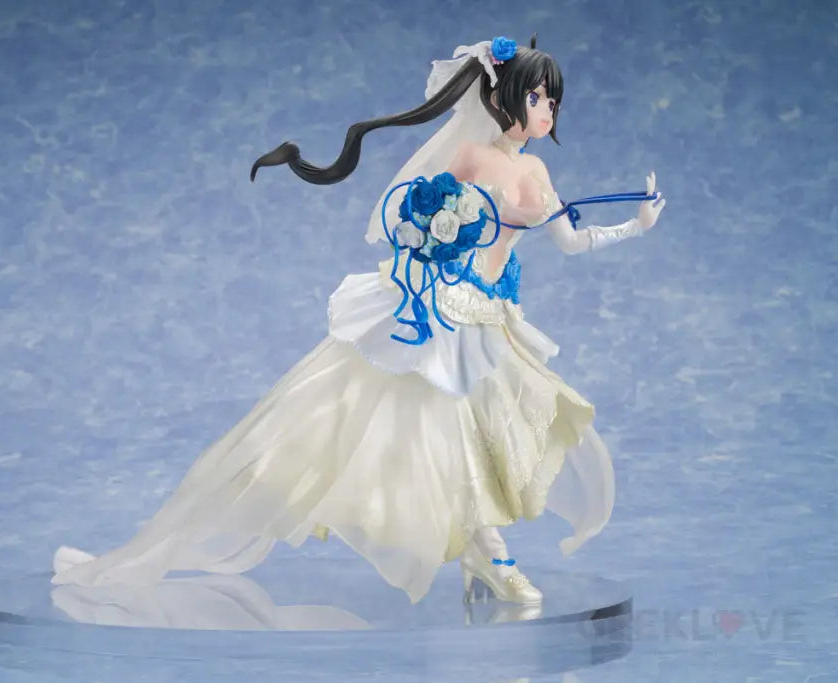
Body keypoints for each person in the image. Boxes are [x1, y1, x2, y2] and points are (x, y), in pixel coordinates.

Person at [51, 35, 665, 605]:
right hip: (442, 311)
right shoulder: (472, 157)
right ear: (503, 98)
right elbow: (414, 212)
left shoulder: (536, 171)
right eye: (535, 97)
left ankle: (484, 553)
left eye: (551, 100)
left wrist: (634, 227)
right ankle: (490, 554)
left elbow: (570, 241)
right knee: (408, 429)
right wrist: (429, 238)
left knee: (495, 432)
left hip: (491, 317)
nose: (546, 110)